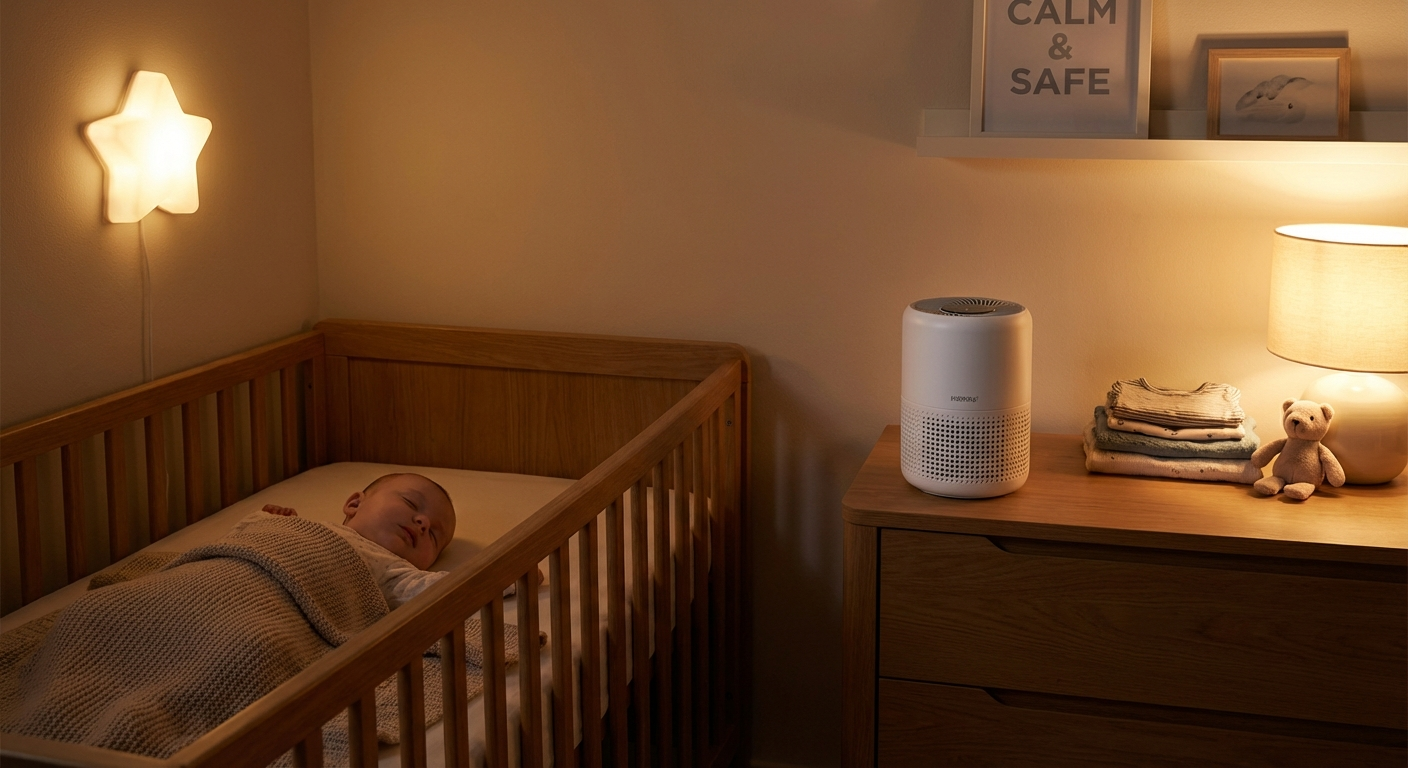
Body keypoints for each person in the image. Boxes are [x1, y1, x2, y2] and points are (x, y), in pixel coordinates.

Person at [254, 472, 457, 608]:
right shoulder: (311, 529)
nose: (424, 523)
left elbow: (444, 590)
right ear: (355, 503)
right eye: (410, 502)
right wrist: (271, 524)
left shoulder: (394, 571)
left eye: (433, 535)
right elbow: (247, 541)